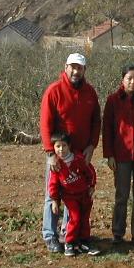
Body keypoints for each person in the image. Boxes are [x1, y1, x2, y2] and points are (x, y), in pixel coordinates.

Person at [40, 53, 101, 253]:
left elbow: (96, 121)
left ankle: (69, 235)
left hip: (79, 155)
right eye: (72, 67)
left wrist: (92, 145)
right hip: (58, 155)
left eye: (80, 68)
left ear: (85, 70)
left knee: (76, 193)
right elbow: (45, 123)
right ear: (65, 67)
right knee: (53, 194)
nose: (76, 71)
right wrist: (50, 153)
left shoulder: (90, 93)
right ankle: (50, 235)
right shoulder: (54, 91)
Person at [102, 64, 134, 245]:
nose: (132, 82)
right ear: (122, 80)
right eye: (129, 78)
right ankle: (118, 234)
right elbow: (107, 128)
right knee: (121, 195)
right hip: (121, 155)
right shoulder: (113, 100)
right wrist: (109, 154)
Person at [48, 131, 100, 256]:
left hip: (84, 194)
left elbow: (90, 172)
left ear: (69, 146)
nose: (61, 149)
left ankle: (84, 242)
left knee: (84, 218)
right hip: (70, 196)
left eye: (64, 146)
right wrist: (55, 200)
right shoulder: (56, 165)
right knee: (75, 218)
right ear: (53, 148)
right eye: (58, 146)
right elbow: (53, 184)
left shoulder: (78, 158)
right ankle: (69, 242)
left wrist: (92, 186)